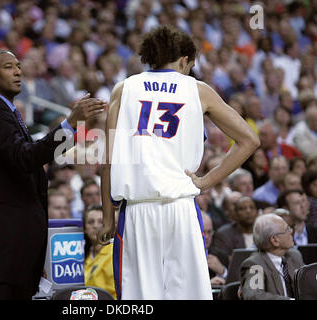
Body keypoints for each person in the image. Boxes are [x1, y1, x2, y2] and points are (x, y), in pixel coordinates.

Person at [98, 26, 259, 300]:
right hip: (181, 208)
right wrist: (206, 182)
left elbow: (108, 162)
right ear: (184, 60)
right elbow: (249, 140)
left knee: (140, 299)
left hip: (138, 210)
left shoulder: (123, 89)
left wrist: (106, 218)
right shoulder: (198, 90)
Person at [0, 50, 107, 300]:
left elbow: (34, 159)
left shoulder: (8, 112)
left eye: (18, 66)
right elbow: (26, 158)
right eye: (9, 67)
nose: (17, 71)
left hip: (12, 255)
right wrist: (70, 124)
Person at [240, 213, 304, 300]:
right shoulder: (255, 264)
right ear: (274, 240)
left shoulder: (294, 256)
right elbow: (254, 296)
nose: (291, 231)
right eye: (287, 229)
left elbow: (310, 283)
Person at [209, 196, 259, 269]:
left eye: (252, 208)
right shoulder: (224, 235)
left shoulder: (263, 232)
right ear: (235, 214)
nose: (248, 211)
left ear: (257, 212)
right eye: (242, 209)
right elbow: (224, 261)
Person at [84, 204, 116, 299]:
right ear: (85, 228)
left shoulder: (115, 252)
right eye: (90, 222)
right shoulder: (85, 255)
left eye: (101, 222)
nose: (95, 226)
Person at [202, 212, 226, 285]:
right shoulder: (183, 256)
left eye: (209, 232)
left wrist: (223, 272)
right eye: (202, 232)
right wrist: (207, 285)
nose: (206, 237)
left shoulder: (221, 255)